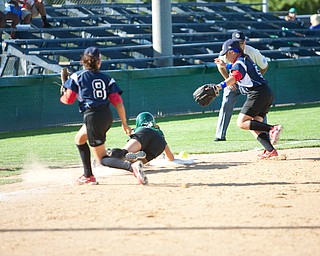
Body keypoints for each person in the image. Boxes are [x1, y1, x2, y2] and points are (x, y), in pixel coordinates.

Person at [60, 46, 147, 185]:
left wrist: (64, 93)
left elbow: (68, 100)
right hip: (106, 116)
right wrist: (124, 123)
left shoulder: (77, 76)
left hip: (92, 116)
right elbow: (118, 102)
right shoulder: (106, 78)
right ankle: (87, 175)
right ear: (99, 62)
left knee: (102, 159)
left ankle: (132, 167)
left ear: (84, 61)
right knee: (79, 139)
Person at [214, 39, 283, 159]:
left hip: (257, 94)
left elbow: (236, 76)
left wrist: (219, 86)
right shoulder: (244, 59)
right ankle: (270, 150)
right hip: (266, 93)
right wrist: (225, 65)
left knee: (241, 123)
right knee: (253, 125)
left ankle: (272, 128)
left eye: (226, 53)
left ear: (232, 52)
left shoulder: (239, 63)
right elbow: (239, 68)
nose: (225, 56)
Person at [214, 31, 268, 141]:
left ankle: (266, 132)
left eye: (242, 42)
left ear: (245, 42)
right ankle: (220, 135)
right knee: (226, 104)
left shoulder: (252, 52)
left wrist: (256, 80)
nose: (240, 45)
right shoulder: (229, 51)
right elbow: (221, 67)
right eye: (237, 43)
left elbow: (264, 66)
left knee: (258, 106)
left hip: (250, 85)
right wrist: (228, 81)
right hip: (234, 82)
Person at [100, 111, 174, 170]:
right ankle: (137, 158)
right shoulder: (159, 132)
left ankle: (109, 154)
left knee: (122, 153)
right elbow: (170, 157)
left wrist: (125, 127)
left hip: (144, 134)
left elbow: (129, 133)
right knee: (139, 163)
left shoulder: (139, 129)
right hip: (160, 142)